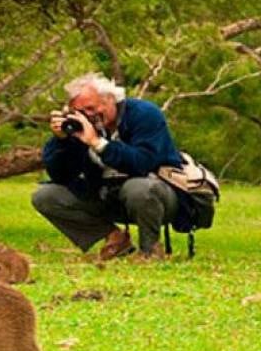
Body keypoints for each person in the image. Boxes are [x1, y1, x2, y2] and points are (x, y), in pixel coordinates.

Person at [31, 72, 184, 261]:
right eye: (80, 111)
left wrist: (98, 143)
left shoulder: (145, 114)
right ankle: (115, 239)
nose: (88, 115)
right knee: (46, 196)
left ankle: (150, 250)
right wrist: (61, 141)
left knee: (139, 188)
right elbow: (60, 175)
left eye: (91, 108)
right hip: (106, 194)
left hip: (158, 197)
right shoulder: (82, 126)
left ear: (110, 99)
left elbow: (143, 163)